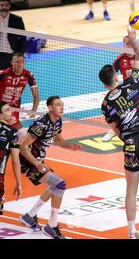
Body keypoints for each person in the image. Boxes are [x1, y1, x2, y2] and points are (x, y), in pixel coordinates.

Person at [99, 28, 139, 239]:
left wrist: (127, 139)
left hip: (129, 145)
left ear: (105, 83)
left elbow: (116, 129)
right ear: (117, 76)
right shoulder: (132, 83)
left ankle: (130, 231)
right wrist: (134, 41)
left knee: (131, 191)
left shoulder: (106, 104)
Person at [19, 96, 82, 239]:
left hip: (38, 160)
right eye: (58, 105)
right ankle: (51, 226)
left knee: (55, 186)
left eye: (62, 104)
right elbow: (23, 147)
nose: (62, 107)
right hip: (27, 161)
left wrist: (70, 147)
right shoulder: (41, 124)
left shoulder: (57, 121)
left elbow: (58, 139)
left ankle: (29, 216)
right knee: (60, 185)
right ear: (50, 108)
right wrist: (37, 164)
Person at [101, 36, 139, 142]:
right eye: (127, 44)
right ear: (124, 45)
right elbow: (112, 77)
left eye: (131, 44)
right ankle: (112, 131)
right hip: (129, 94)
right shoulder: (119, 61)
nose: (129, 46)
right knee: (124, 116)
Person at [0, 53, 40, 141]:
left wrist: (34, 110)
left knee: (22, 133)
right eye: (16, 62)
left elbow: (36, 95)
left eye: (22, 62)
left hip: (13, 109)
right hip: (1, 107)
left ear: (24, 63)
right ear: (11, 62)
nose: (19, 64)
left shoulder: (28, 75)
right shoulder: (3, 74)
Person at [0, 101, 22, 216]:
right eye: (7, 110)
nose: (11, 111)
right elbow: (15, 160)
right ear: (0, 115)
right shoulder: (12, 132)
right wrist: (19, 183)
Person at [0, 0, 26, 70]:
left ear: (9, 6)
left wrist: (20, 54)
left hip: (12, 55)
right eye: (2, 5)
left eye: (6, 5)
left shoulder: (17, 20)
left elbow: (23, 37)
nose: (4, 7)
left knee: (13, 78)